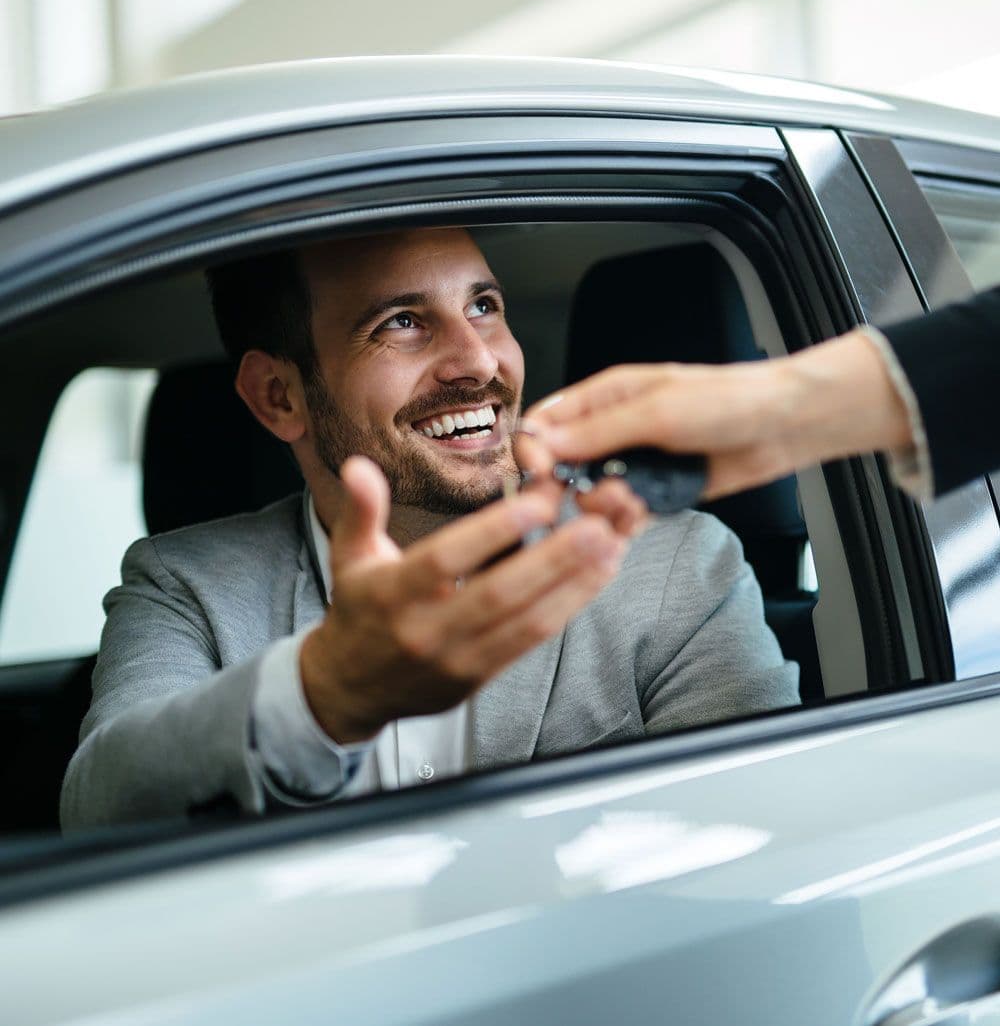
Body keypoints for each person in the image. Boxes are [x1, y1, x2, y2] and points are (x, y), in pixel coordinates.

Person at [61, 227, 798, 830]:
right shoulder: (184, 582)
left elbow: (761, 836)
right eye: (402, 323)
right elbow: (101, 808)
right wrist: (326, 693)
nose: (479, 361)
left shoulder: (675, 568)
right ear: (278, 396)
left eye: (484, 306)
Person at [518, 285, 1000, 503]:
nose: (476, 361)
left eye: (483, 306)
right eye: (434, 326)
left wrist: (781, 405)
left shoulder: (686, 564)